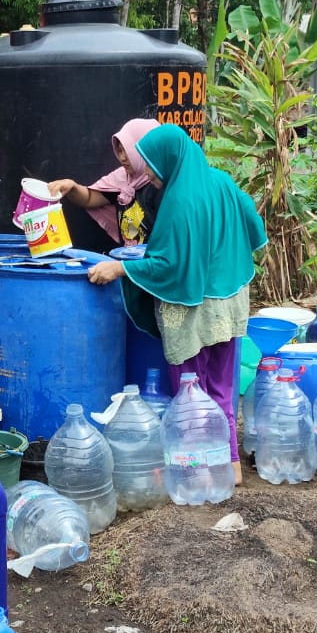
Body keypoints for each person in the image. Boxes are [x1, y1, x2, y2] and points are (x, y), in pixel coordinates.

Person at [85, 124, 267, 485]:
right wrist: (224, 254)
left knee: (189, 391)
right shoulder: (222, 182)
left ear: (170, 158)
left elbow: (168, 265)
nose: (148, 174)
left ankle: (196, 471)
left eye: (151, 164)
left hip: (192, 308)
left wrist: (120, 267)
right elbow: (254, 225)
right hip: (229, 302)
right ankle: (230, 465)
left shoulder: (179, 200)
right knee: (221, 388)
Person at [45, 118, 162, 247]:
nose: (122, 157)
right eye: (120, 150)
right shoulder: (122, 179)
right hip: (126, 262)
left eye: (128, 150)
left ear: (144, 150)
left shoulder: (160, 184)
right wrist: (72, 187)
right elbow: (89, 198)